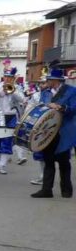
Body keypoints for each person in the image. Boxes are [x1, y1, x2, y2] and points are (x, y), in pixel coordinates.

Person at [31, 66, 76, 199]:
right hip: (48, 130)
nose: (47, 81)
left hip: (64, 130)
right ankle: (46, 190)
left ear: (55, 80)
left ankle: (66, 190)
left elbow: (74, 109)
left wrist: (61, 107)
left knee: (63, 161)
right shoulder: (46, 92)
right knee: (48, 160)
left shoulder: (71, 91)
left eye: (49, 79)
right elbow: (40, 107)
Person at [0, 64, 27, 172]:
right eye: (6, 77)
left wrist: (14, 92)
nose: (8, 79)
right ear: (3, 77)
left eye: (10, 78)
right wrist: (1, 93)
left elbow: (23, 100)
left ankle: (2, 165)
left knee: (7, 140)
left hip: (11, 116)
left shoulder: (17, 88)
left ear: (13, 79)